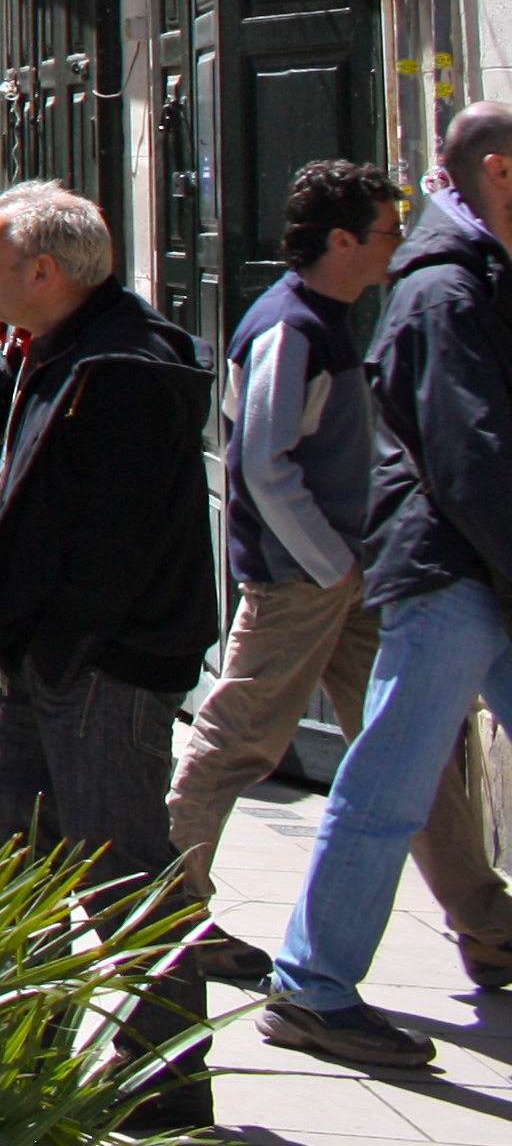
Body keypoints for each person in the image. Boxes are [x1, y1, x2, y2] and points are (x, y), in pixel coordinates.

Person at [165, 159, 512, 992]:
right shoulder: (291, 326)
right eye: (388, 231)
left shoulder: (339, 317)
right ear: (342, 240)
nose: (400, 244)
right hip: (300, 584)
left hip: (352, 579)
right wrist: (328, 567)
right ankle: (166, 909)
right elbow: (262, 462)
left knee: (406, 749)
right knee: (236, 738)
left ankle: (487, 923)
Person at [0, 182, 217, 1111]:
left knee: (124, 875)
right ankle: (20, 1064)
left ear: (44, 273)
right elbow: (23, 470)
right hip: (37, 662)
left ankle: (167, 1087)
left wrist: (62, 647)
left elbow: (116, 541)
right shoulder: (44, 351)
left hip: (99, 667)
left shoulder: (126, 370)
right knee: (7, 858)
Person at [267, 104, 512, 1071]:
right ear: (499, 172)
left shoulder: (473, 278)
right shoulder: (447, 293)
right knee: (386, 786)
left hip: (478, 566)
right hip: (451, 571)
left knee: (390, 783)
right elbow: (472, 456)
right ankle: (312, 985)